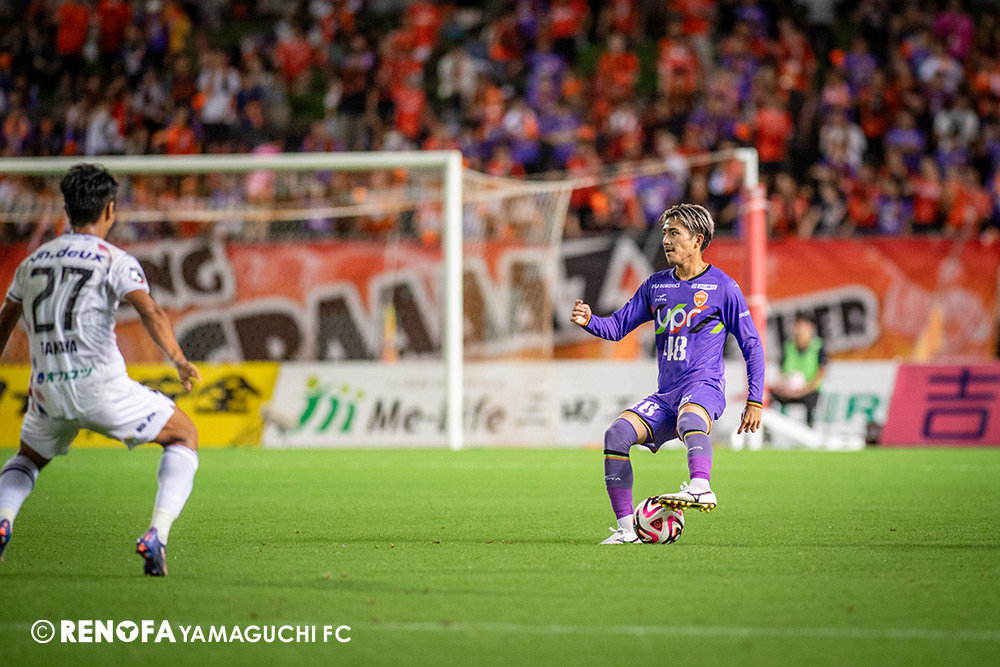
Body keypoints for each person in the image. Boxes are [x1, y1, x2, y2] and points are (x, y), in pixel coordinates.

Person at [0, 164, 201, 576]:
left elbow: (4, 325)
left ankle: (3, 519)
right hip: (102, 388)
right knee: (183, 435)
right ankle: (157, 535)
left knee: (28, 459)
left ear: (66, 209)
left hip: (47, 389)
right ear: (109, 209)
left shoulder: (31, 263)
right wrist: (178, 359)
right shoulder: (114, 259)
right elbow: (149, 310)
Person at [571, 203, 764, 544]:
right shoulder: (655, 286)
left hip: (703, 387)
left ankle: (701, 486)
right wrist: (590, 321)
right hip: (666, 395)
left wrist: (755, 400)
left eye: (674, 233)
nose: (666, 240)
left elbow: (752, 344)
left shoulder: (723, 287)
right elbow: (617, 327)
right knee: (616, 435)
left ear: (697, 240)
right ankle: (627, 530)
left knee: (690, 419)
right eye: (664, 233)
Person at [770, 314, 827, 427]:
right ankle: (769, 431)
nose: (800, 331)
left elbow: (821, 374)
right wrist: (785, 386)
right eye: (798, 327)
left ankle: (809, 430)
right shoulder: (788, 346)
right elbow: (781, 372)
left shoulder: (818, 347)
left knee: (811, 400)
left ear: (811, 329)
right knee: (769, 397)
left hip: (809, 390)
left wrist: (804, 390)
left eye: (803, 327)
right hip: (789, 390)